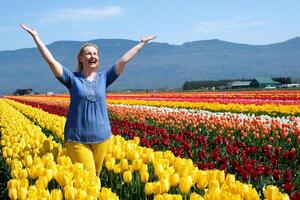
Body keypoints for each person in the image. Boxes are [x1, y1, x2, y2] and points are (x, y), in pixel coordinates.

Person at [20, 24, 156, 187]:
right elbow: (51, 61)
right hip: (77, 139)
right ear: (81, 58)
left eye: (95, 53)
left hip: (102, 138)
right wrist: (36, 37)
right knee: (90, 180)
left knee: (92, 181)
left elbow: (123, 60)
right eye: (89, 53)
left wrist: (141, 43)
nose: (93, 56)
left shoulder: (104, 77)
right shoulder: (72, 79)